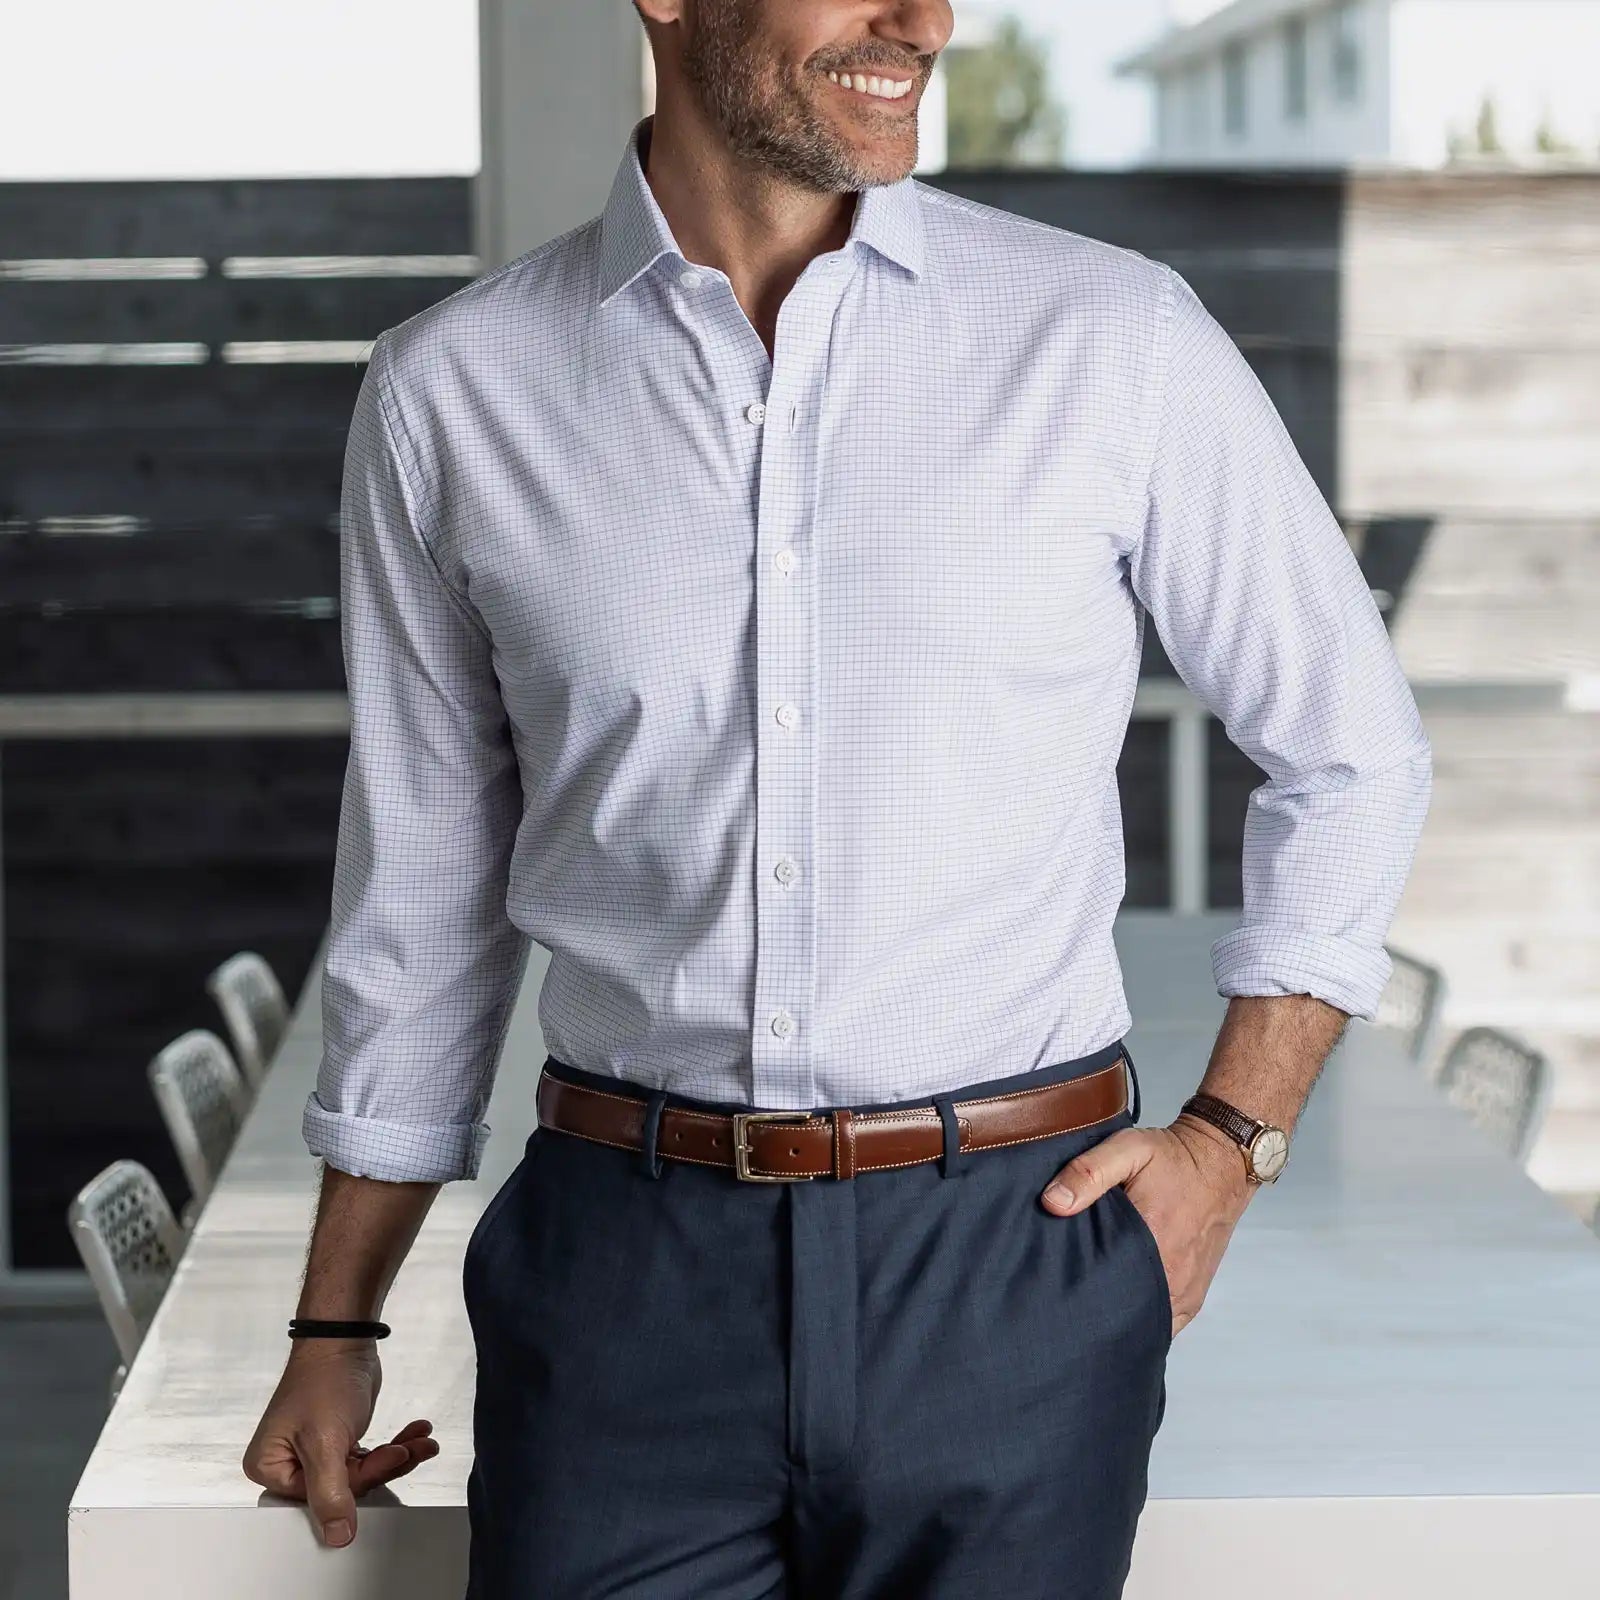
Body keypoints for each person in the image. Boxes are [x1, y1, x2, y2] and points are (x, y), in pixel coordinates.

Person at [242, 1, 1433, 1594]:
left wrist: (1232, 1139)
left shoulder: (1111, 337)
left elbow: (1351, 747)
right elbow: (425, 892)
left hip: (1014, 1257)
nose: (923, 22)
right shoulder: (453, 394)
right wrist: (339, 1322)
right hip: (621, 1277)